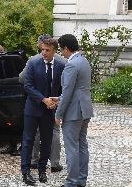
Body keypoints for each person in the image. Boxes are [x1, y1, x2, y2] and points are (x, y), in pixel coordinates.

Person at [21, 38, 64, 186]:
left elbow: (62, 88)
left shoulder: (60, 65)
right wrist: (43, 99)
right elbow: (27, 85)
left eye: (47, 50)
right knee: (28, 141)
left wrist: (56, 102)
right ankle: (25, 172)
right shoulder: (33, 63)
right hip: (32, 109)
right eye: (42, 50)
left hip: (49, 111)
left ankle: (42, 171)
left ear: (54, 51)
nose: (44, 53)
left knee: (46, 142)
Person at [54, 34, 94, 187]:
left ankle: (71, 182)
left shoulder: (71, 64)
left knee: (72, 148)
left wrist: (58, 114)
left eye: (61, 49)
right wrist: (58, 98)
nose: (61, 53)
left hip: (73, 111)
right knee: (82, 145)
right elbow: (78, 89)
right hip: (85, 109)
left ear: (66, 48)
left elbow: (69, 90)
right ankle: (81, 180)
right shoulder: (84, 61)